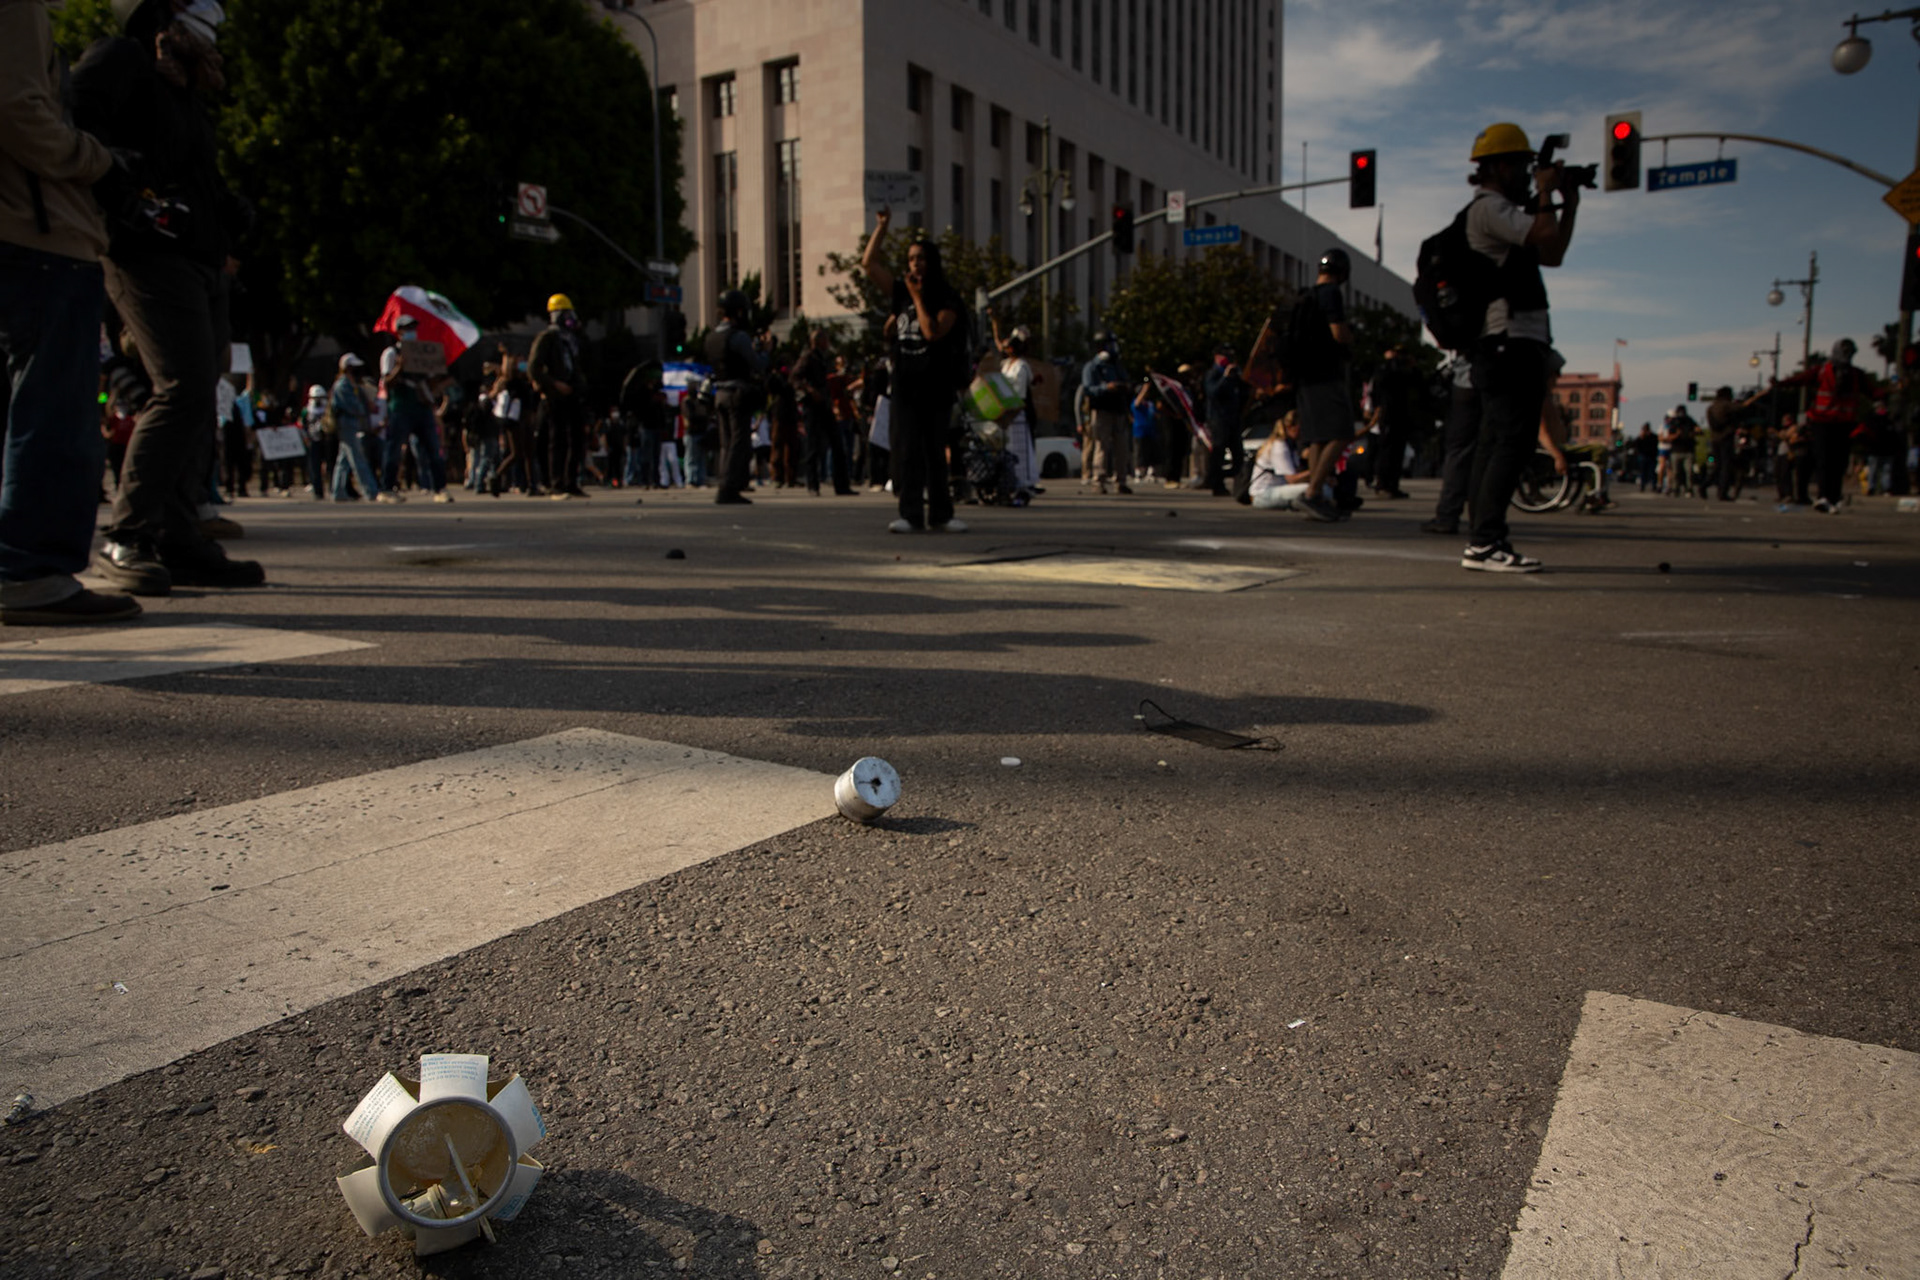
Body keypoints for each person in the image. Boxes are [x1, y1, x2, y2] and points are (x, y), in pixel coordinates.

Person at [79, 0, 263, 594]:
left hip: (198, 259)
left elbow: (187, 169)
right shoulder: (124, 59)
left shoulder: (181, 88)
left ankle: (178, 535)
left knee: (199, 393)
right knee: (180, 388)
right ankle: (126, 536)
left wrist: (226, 207)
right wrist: (122, 189)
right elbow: (75, 123)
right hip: (146, 255)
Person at [0, 0, 143, 624]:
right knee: (53, 410)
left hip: (24, 233)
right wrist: (100, 161)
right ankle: (29, 570)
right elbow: (17, 110)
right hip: (37, 234)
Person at [1456, 122, 1578, 571]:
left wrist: (1570, 203)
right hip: (1506, 342)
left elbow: (1554, 252)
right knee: (1511, 442)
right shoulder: (1490, 209)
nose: (1529, 175)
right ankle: (1486, 541)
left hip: (1512, 343)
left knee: (1497, 442)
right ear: (1500, 166)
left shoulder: (1507, 210)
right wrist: (1547, 195)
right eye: (1525, 166)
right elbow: (1543, 237)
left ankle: (1483, 539)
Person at [861, 209, 968, 533]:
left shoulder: (946, 296)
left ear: (932, 262)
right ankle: (910, 513)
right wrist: (882, 228)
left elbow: (933, 331)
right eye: (910, 259)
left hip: (935, 386)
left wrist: (919, 300)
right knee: (907, 451)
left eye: (920, 258)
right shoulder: (899, 294)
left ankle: (941, 514)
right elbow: (868, 265)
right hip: (905, 385)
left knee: (935, 451)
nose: (914, 265)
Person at [1289, 248, 1359, 523]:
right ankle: (1313, 491)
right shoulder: (1331, 294)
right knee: (1342, 432)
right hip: (1325, 374)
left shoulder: (1305, 295)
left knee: (1318, 436)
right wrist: (1352, 339)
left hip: (1304, 375)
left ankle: (1315, 495)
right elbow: (1338, 333)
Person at [704, 288, 766, 504]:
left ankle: (728, 482)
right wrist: (764, 352)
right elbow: (756, 364)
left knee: (726, 443)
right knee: (739, 442)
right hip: (737, 393)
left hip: (719, 392)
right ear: (738, 311)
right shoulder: (737, 336)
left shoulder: (711, 337)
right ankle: (728, 487)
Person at [527, 292, 588, 500]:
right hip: (555, 396)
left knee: (577, 439)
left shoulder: (570, 340)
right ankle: (556, 483)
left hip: (573, 395)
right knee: (557, 439)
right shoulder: (548, 338)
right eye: (566, 314)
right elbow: (533, 368)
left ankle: (571, 482)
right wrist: (554, 384)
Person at [1806, 338, 1873, 513]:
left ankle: (1833, 497)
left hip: (1843, 424)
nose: (1847, 356)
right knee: (1824, 461)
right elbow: (1801, 378)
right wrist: (1780, 383)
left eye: (1849, 353)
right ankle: (1824, 496)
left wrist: (1892, 390)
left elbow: (1872, 391)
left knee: (1839, 463)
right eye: (1845, 352)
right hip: (1822, 422)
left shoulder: (1855, 375)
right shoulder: (1823, 371)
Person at [793, 328, 852, 495]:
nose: (828, 343)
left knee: (837, 444)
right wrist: (810, 391)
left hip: (825, 405)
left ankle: (842, 485)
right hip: (813, 406)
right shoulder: (808, 357)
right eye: (825, 340)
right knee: (812, 446)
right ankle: (813, 485)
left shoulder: (822, 358)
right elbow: (795, 377)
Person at [988, 318, 1039, 495]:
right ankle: (1009, 477)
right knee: (1007, 447)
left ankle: (1024, 480)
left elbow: (1020, 391)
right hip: (1005, 411)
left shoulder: (1021, 366)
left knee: (1021, 448)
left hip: (1017, 411)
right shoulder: (1005, 365)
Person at [1080, 332, 1132, 494]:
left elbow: (1126, 381)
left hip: (1118, 410)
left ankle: (1121, 480)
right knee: (1101, 446)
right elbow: (1088, 388)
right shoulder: (1093, 366)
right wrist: (1106, 387)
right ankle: (1098, 480)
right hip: (1101, 410)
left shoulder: (1117, 365)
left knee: (1122, 447)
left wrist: (1124, 386)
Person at [1365, 346, 1420, 499]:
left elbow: (1416, 382)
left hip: (1401, 414)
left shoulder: (1404, 371)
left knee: (1397, 453)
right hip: (1388, 414)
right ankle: (1382, 484)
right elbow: (1377, 387)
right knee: (1386, 452)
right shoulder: (1384, 370)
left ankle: (1393, 485)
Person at [1202, 345, 1250, 496]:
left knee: (1238, 456)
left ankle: (1218, 476)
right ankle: (1217, 484)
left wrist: (1242, 380)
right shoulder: (1213, 374)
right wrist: (1225, 377)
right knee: (1219, 453)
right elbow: (1212, 392)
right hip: (1218, 420)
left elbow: (1244, 394)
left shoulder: (1235, 375)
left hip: (1233, 419)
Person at [1248, 412, 1313, 510]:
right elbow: (1292, 479)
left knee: (1321, 488)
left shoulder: (1291, 446)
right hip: (1263, 494)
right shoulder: (1279, 446)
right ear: (1291, 427)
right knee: (1315, 489)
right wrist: (1317, 473)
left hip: (1277, 490)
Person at [1662, 405, 1697, 497]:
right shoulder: (1674, 422)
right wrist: (1677, 435)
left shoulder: (1689, 420)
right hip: (1676, 450)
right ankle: (1675, 488)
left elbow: (1698, 429)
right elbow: (1668, 437)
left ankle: (1689, 489)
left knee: (1689, 471)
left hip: (1688, 450)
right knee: (1676, 472)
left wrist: (1693, 433)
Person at [1631, 423, 1659, 491]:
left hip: (1651, 457)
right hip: (1643, 456)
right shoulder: (1640, 438)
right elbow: (1636, 445)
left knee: (1652, 472)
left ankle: (1653, 486)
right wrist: (1641, 437)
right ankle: (1642, 486)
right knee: (1643, 472)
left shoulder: (1653, 436)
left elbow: (1656, 445)